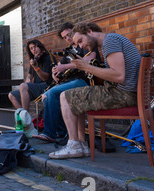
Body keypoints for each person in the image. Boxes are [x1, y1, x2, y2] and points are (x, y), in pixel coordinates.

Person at [49, 22, 141, 159]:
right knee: (77, 95)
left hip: (123, 95)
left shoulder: (110, 41)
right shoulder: (112, 40)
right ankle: (81, 146)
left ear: (89, 31)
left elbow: (119, 76)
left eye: (80, 40)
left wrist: (86, 67)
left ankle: (74, 145)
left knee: (65, 96)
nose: (80, 46)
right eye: (77, 44)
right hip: (126, 93)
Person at [33, 23, 101, 143]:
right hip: (70, 82)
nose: (68, 38)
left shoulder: (85, 43)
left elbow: (88, 60)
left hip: (84, 82)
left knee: (51, 93)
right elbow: (59, 66)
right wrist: (55, 72)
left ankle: (49, 133)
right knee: (45, 97)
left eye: (69, 35)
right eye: (65, 37)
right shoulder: (69, 51)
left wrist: (65, 67)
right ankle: (61, 131)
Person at [9, 39, 55, 111]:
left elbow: (45, 78)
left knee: (23, 86)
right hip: (36, 87)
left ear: (40, 47)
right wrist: (27, 82)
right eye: (31, 48)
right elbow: (29, 76)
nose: (33, 49)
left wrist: (36, 67)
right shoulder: (34, 60)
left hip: (46, 86)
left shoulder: (47, 57)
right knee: (12, 95)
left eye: (35, 47)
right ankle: (25, 117)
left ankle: (25, 115)